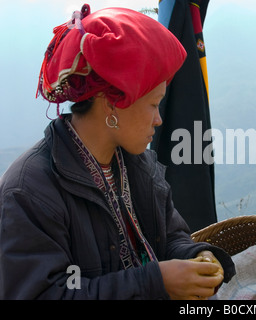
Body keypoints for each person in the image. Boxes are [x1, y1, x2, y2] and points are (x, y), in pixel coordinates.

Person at [0, 4, 235, 300]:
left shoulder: (138, 165)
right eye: (153, 105)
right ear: (112, 102)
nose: (159, 119)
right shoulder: (28, 193)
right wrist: (155, 283)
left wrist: (196, 256)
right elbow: (44, 293)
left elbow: (172, 236)